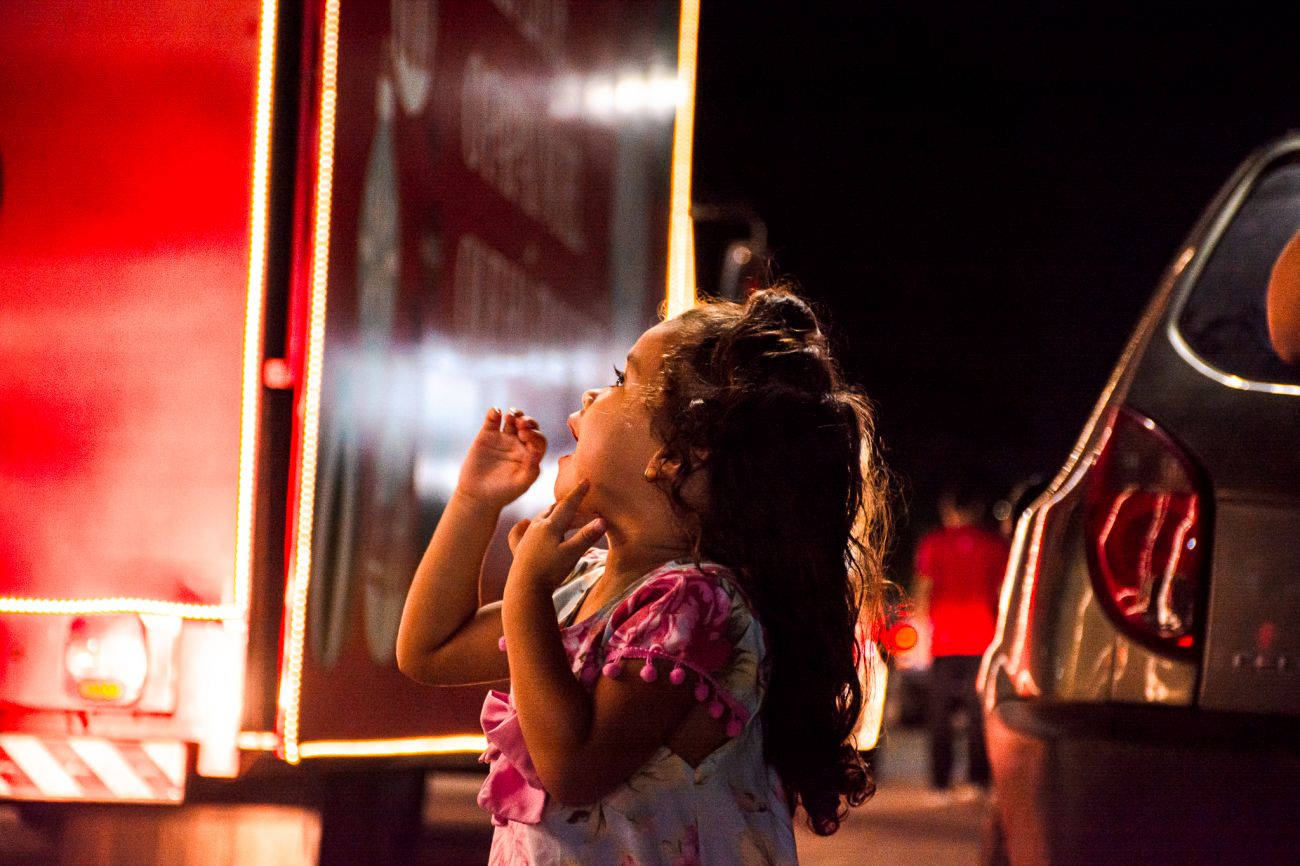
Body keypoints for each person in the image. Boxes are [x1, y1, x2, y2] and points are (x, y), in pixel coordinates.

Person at [396, 288, 891, 864]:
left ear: (679, 454)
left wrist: (526, 591)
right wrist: (474, 501)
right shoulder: (587, 587)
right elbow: (430, 649)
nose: (591, 394)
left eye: (621, 380)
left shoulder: (698, 604)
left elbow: (573, 768)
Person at [912, 485, 1009, 799]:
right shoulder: (994, 545)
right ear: (977, 510)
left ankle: (940, 783)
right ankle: (978, 781)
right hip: (983, 639)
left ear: (946, 508)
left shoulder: (933, 542)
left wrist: (921, 629)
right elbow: (1004, 592)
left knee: (938, 714)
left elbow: (924, 588)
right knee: (979, 714)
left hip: (943, 641)